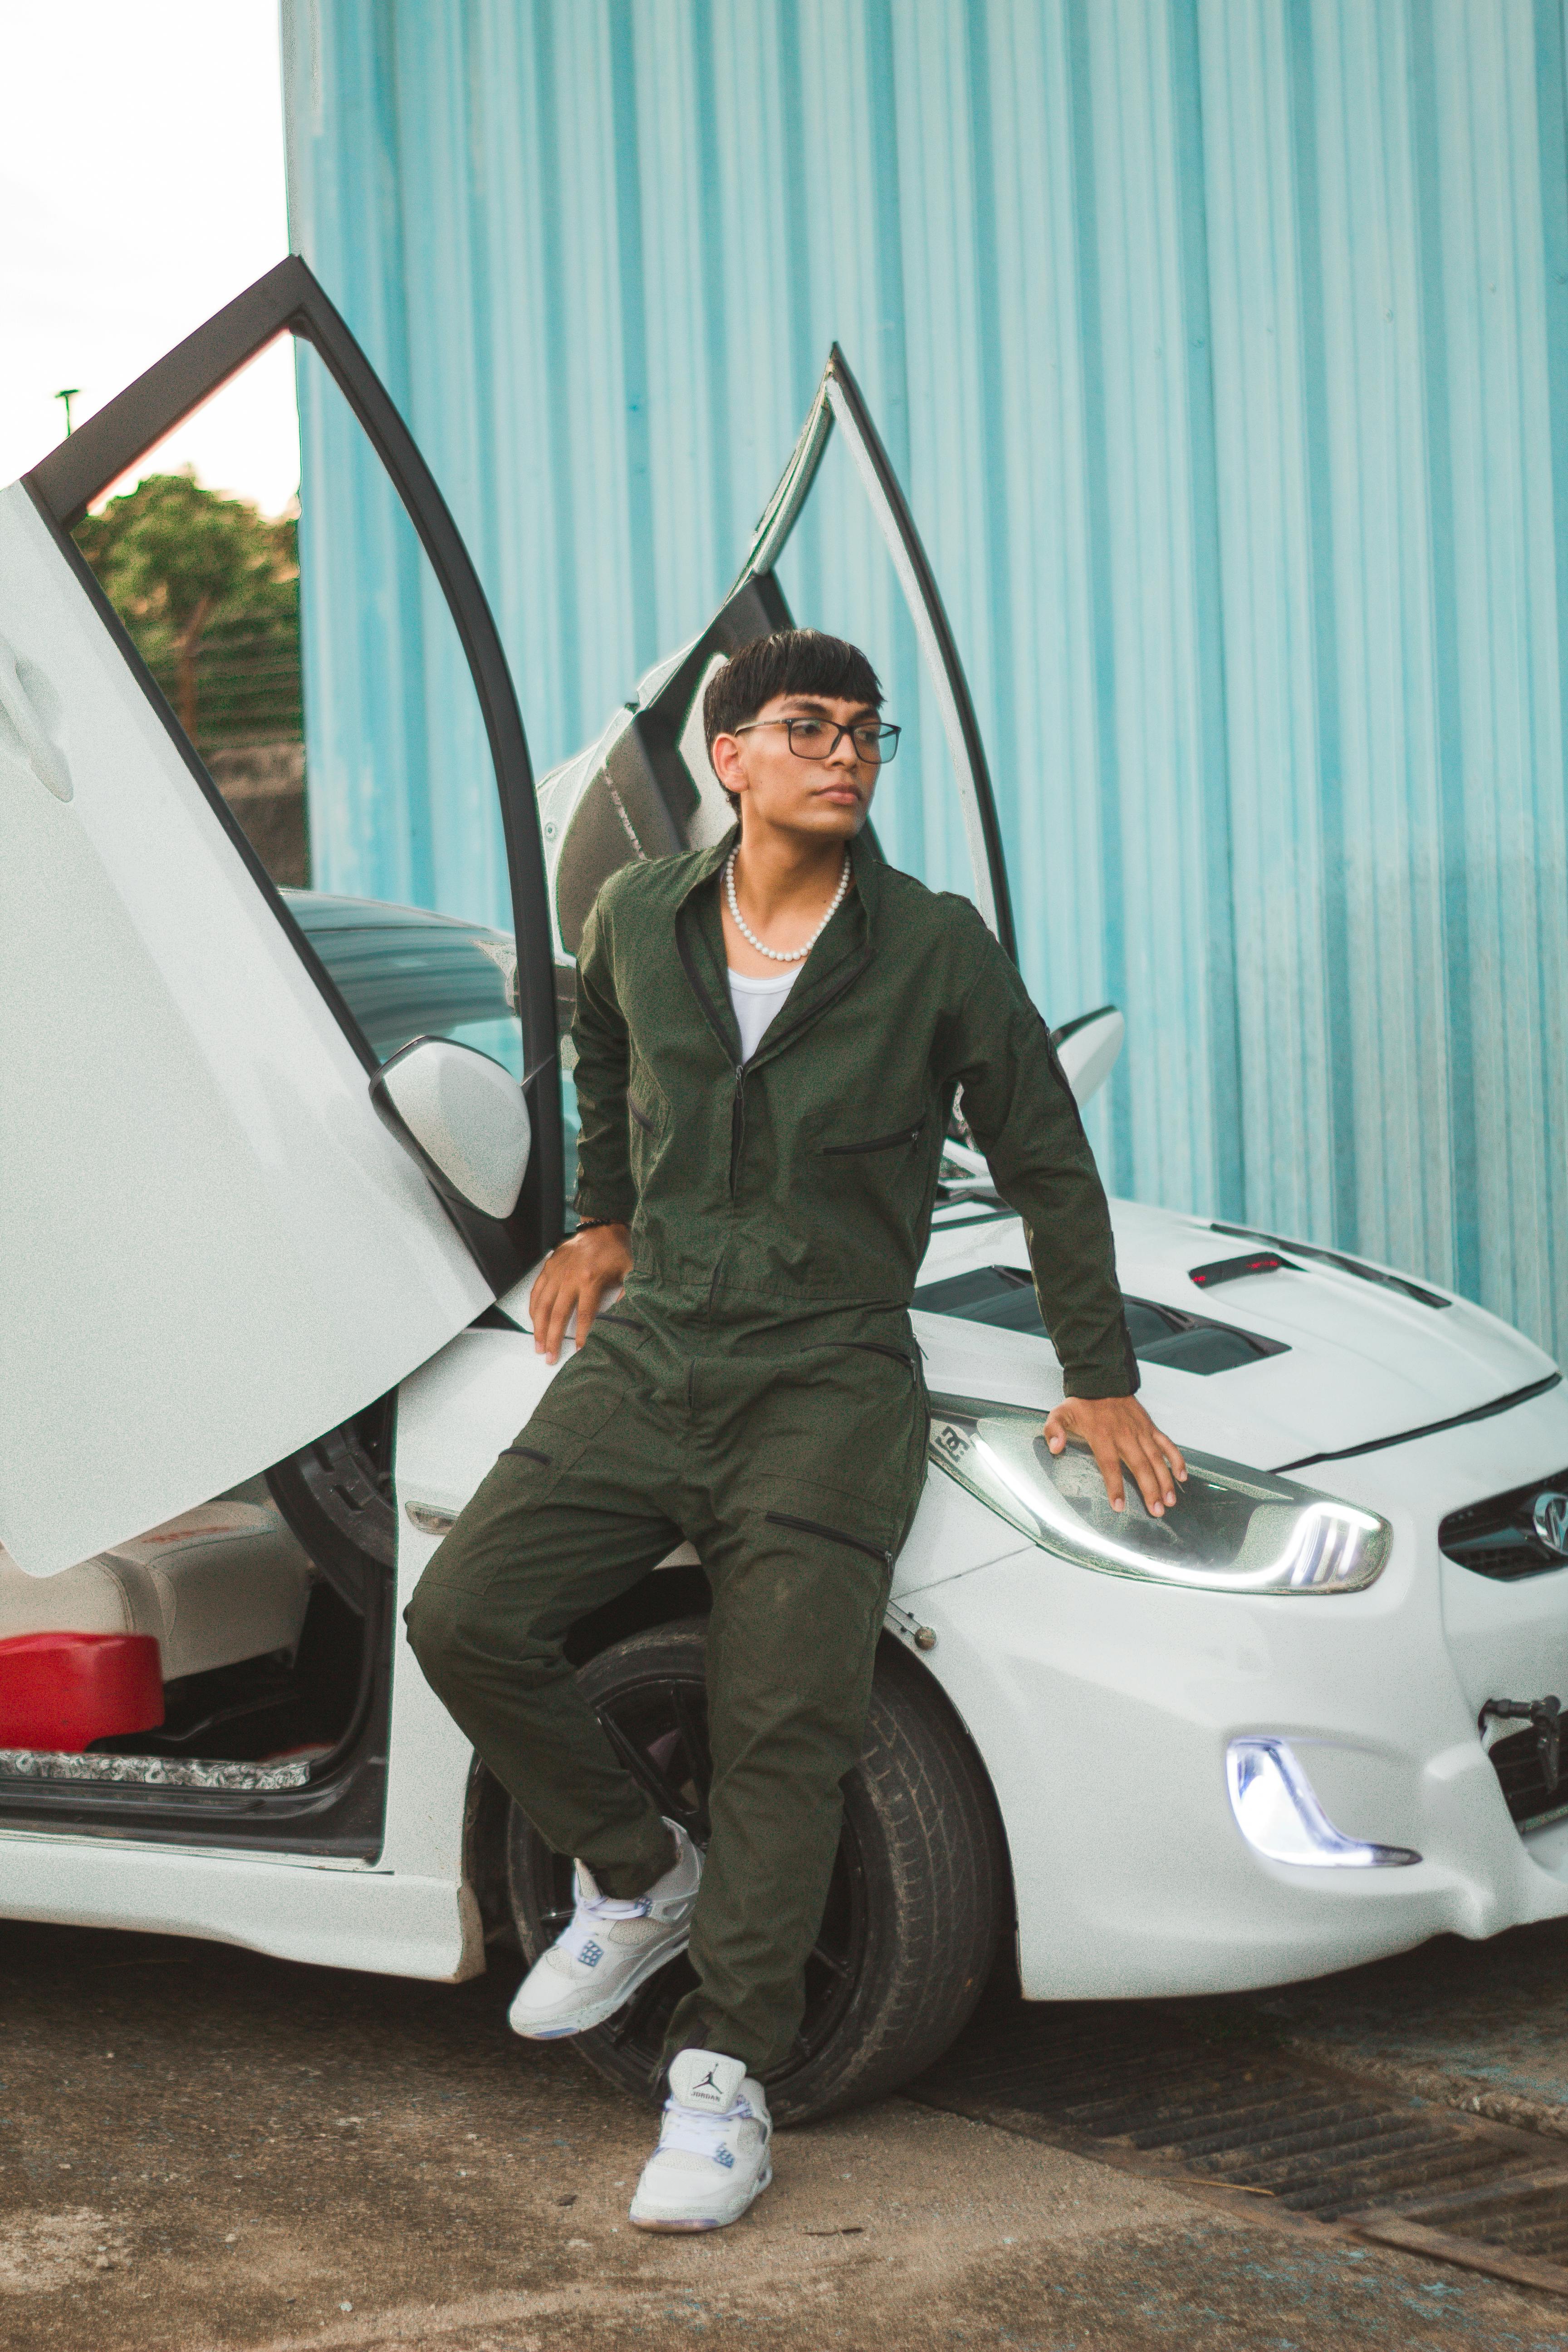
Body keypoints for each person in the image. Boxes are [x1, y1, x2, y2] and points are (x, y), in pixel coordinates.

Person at [405, 628, 1186, 2233]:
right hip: (663, 1347)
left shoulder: (933, 947)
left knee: (783, 1724)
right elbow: (608, 1056)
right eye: (811, 727)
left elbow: (1044, 1157)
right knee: (466, 1614)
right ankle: (637, 1873)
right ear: (732, 758)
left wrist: (1099, 1372)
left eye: (869, 734)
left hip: (830, 1375)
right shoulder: (637, 917)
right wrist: (606, 1214)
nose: (848, 754)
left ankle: (723, 2078)